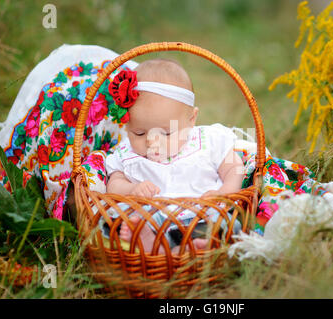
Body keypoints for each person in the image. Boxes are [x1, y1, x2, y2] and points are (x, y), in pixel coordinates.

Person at [104, 58, 245, 253]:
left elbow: (233, 167)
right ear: (127, 126)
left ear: (191, 120)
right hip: (157, 219)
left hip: (204, 213)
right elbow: (113, 184)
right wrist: (132, 188)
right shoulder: (126, 153)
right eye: (139, 133)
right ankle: (156, 245)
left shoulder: (208, 139)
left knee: (230, 224)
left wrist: (224, 193)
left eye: (166, 133)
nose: (152, 141)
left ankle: (192, 246)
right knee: (124, 220)